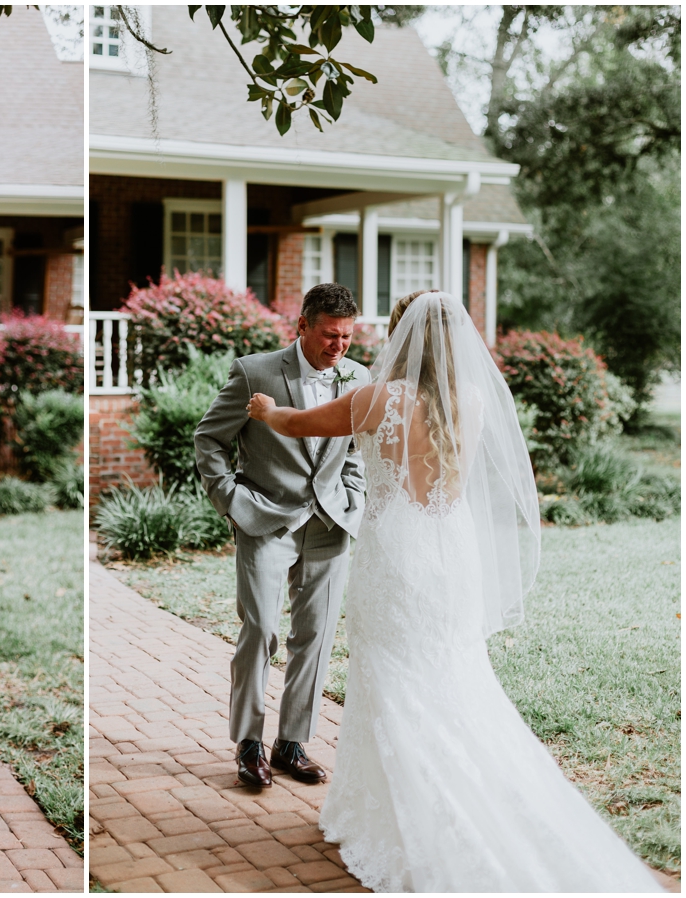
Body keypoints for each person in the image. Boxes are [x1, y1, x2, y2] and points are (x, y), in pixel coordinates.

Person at [246, 290, 661, 891]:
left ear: (400, 338)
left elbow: (298, 423)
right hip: (451, 555)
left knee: (391, 681)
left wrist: (263, 409)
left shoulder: (375, 399)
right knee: (452, 676)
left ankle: (407, 816)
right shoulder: (472, 401)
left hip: (395, 557)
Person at [194, 283, 371, 788]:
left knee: (315, 636)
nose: (339, 346)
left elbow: (356, 447)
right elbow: (209, 437)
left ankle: (292, 743)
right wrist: (230, 499)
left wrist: (351, 495)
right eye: (329, 335)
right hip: (266, 518)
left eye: (347, 337)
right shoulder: (256, 371)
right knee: (261, 630)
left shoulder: (358, 377)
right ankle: (249, 744)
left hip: (330, 523)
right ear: (302, 327)